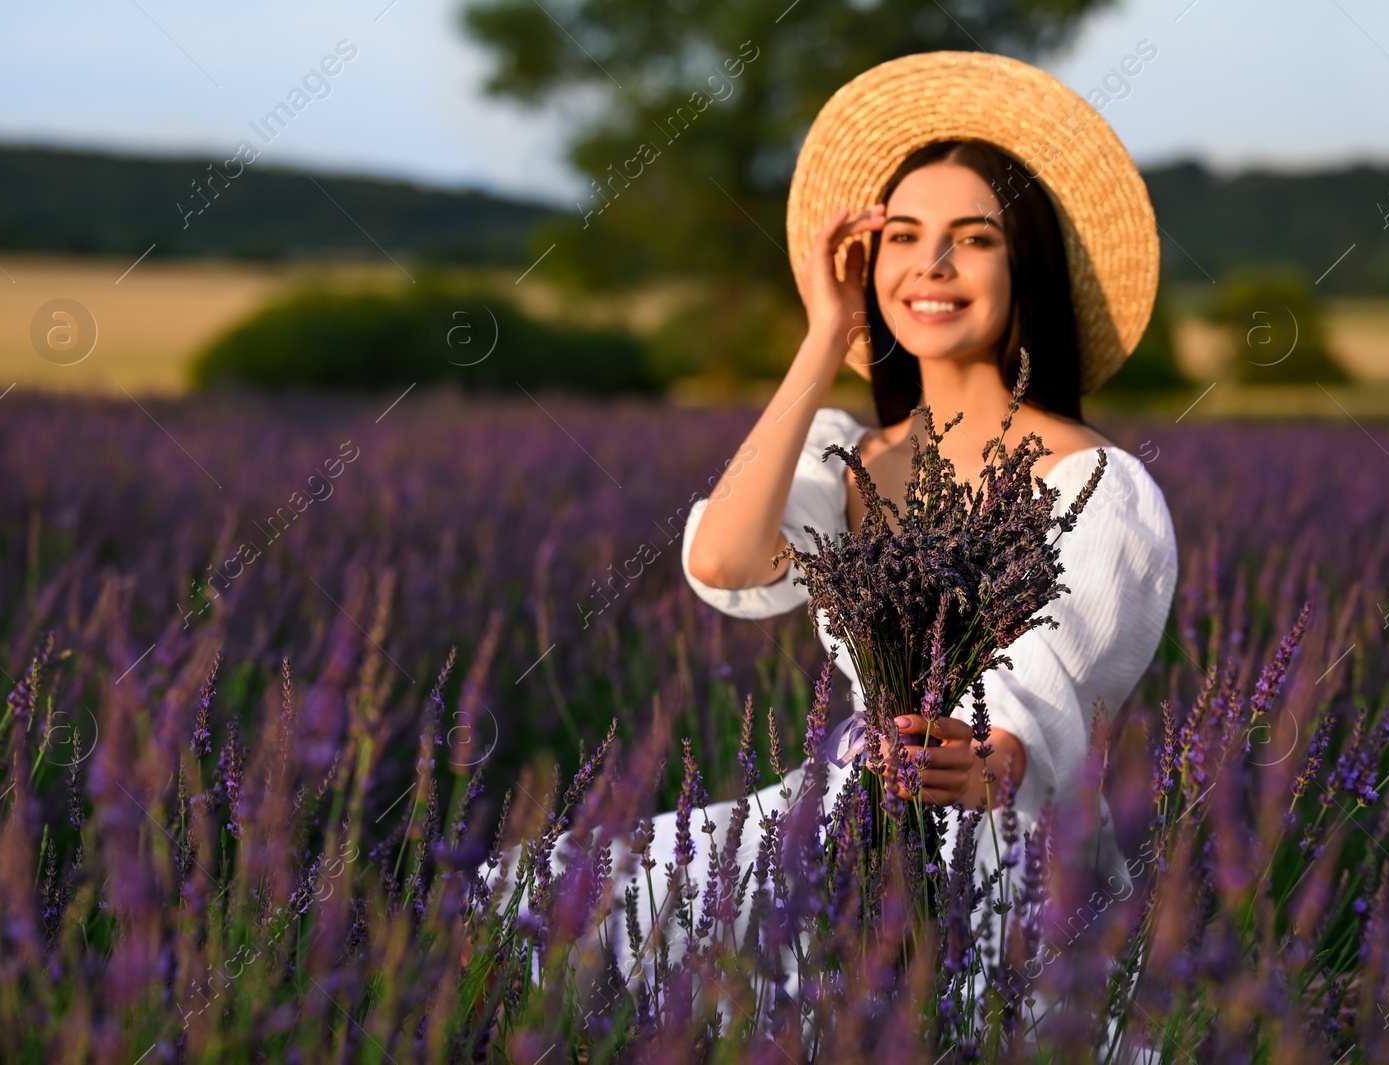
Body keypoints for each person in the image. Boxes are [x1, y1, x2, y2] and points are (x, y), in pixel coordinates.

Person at [490, 52, 1177, 1052]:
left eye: (972, 240)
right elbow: (725, 565)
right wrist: (823, 338)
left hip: (1006, 839)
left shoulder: (1096, 483)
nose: (929, 265)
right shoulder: (841, 457)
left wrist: (999, 754)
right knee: (545, 897)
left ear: (1024, 269)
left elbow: (1051, 679)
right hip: (834, 806)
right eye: (903, 237)